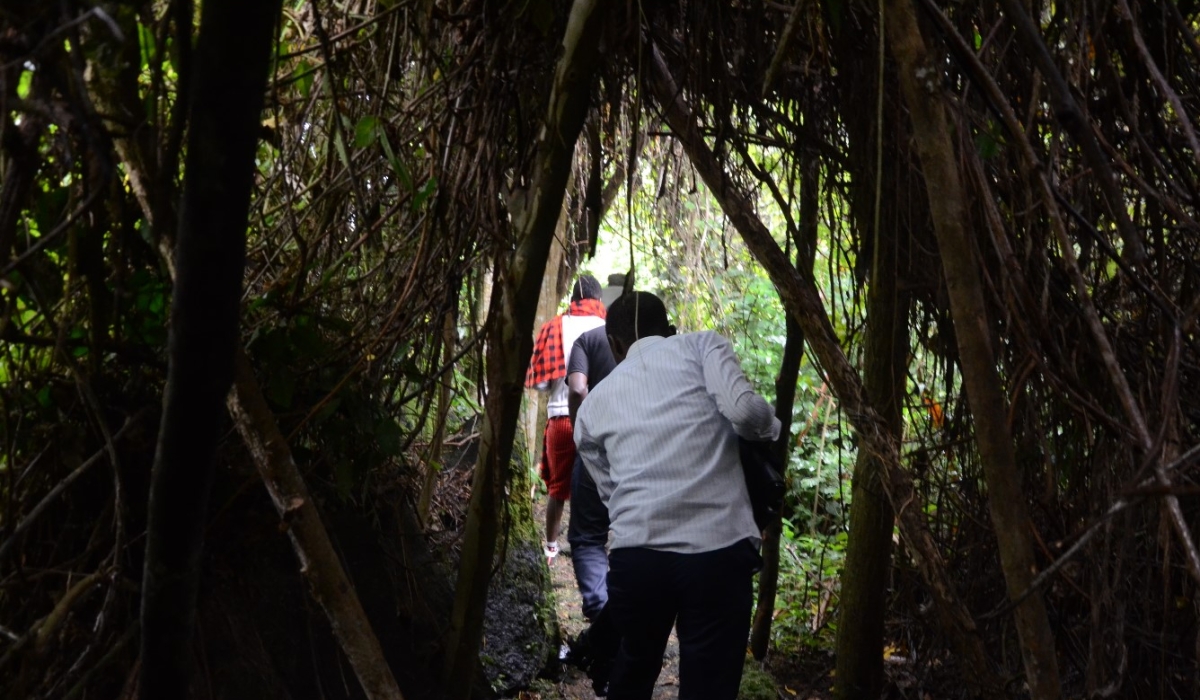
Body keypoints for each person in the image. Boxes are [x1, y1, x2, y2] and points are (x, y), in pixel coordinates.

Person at [574, 292, 780, 700]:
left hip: (639, 562)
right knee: (709, 687)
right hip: (718, 554)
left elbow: (612, 494)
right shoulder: (702, 345)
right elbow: (744, 414)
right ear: (670, 331)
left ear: (614, 346)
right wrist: (771, 427)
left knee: (633, 671)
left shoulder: (593, 405)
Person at [525, 274, 606, 564]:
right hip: (599, 421)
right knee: (601, 486)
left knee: (557, 490)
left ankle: (550, 548)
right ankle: (594, 547)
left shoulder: (554, 327)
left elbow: (540, 384)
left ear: (573, 299)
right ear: (598, 300)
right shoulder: (608, 329)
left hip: (561, 420)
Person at [562, 324, 620, 694]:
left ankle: (602, 609)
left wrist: (579, 430)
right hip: (647, 450)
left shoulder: (589, 340)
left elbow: (578, 387)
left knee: (586, 537)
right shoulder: (664, 346)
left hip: (598, 442)